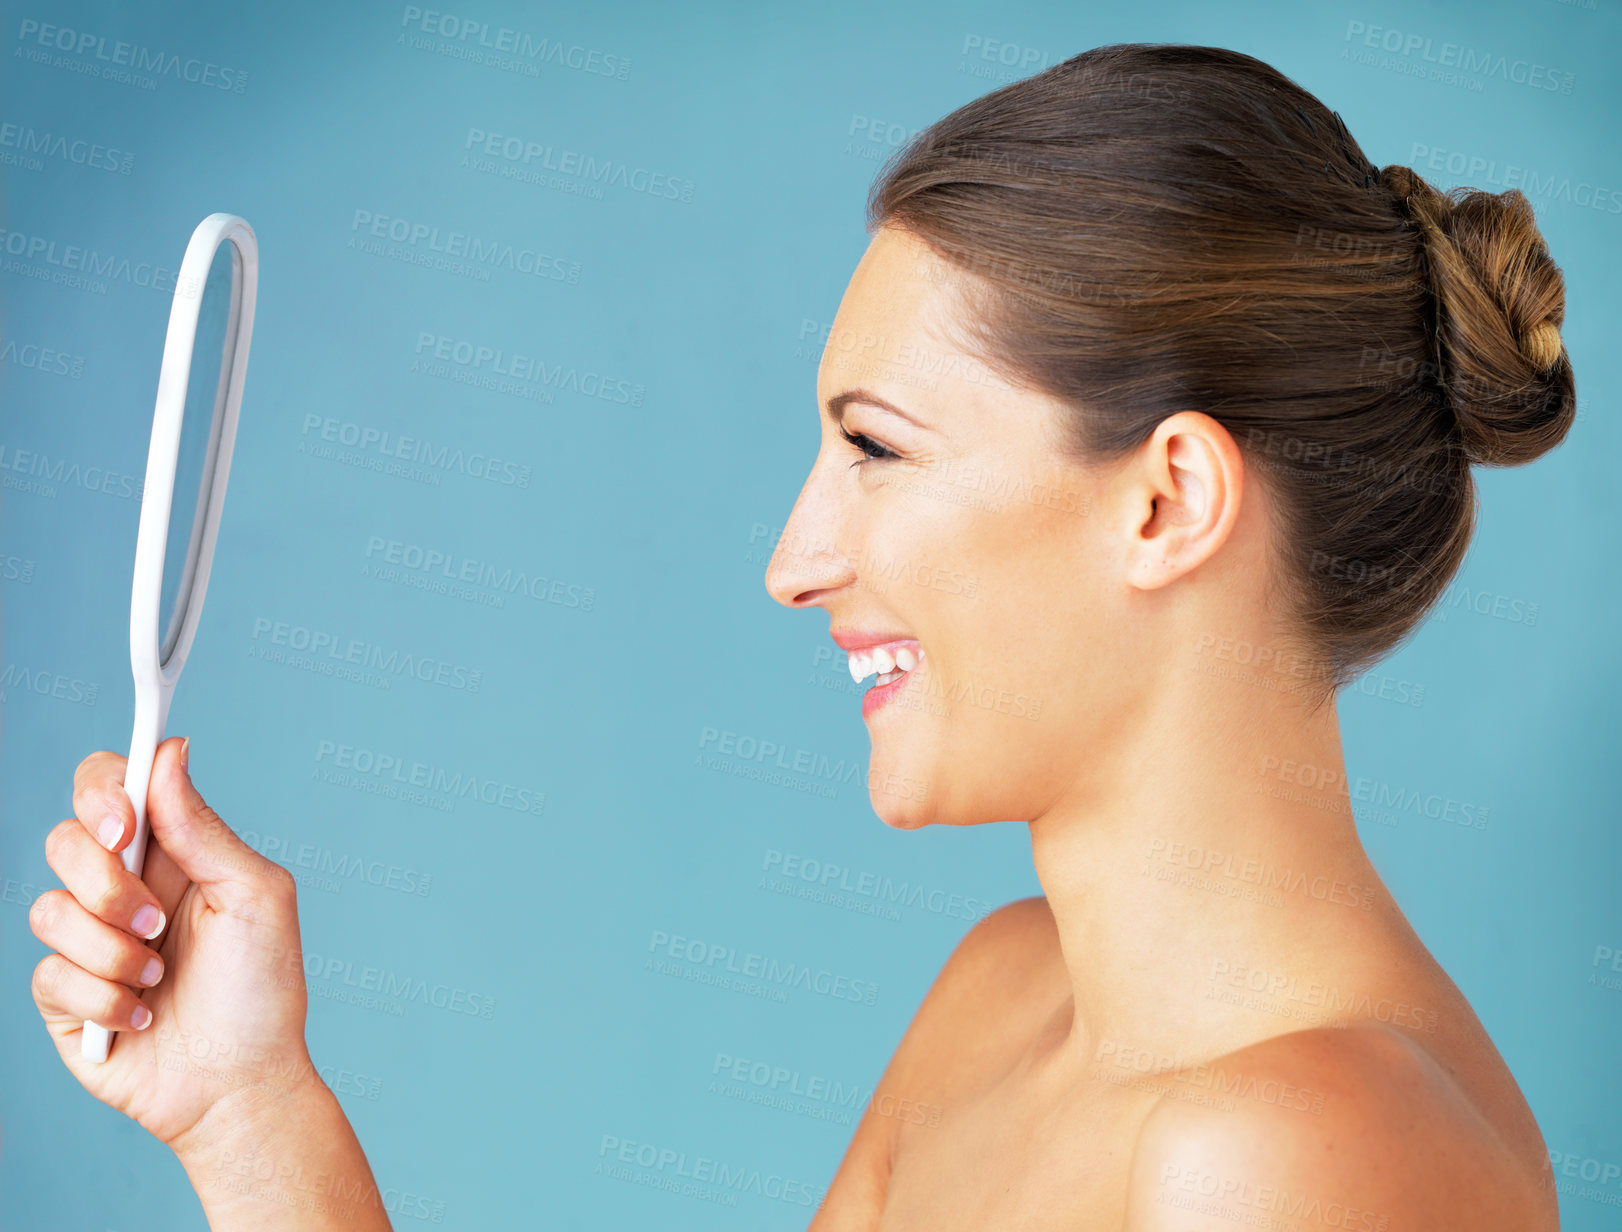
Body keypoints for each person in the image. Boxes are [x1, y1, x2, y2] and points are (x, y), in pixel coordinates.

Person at [30, 43, 1572, 1230]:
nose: (791, 562)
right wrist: (248, 1113)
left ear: (1165, 501)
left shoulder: (1304, 1159)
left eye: (877, 449)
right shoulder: (1001, 996)